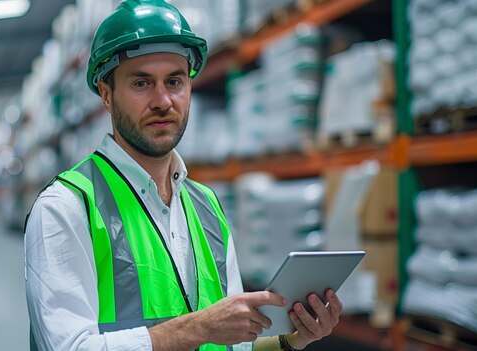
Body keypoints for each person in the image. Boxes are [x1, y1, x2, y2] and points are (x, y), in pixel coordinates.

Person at [24, 0, 343, 350]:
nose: (163, 100)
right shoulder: (66, 207)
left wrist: (289, 340)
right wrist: (197, 328)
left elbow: (231, 343)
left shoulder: (206, 206)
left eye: (174, 81)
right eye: (142, 83)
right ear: (106, 95)